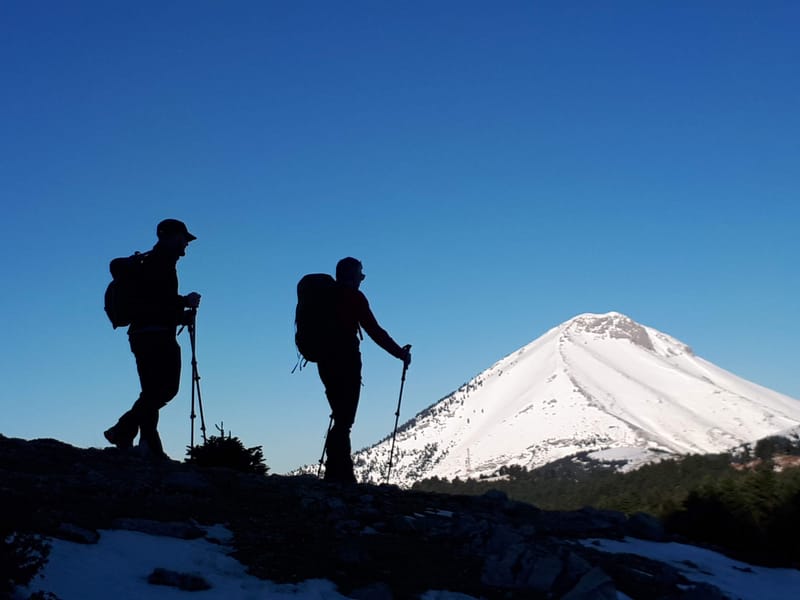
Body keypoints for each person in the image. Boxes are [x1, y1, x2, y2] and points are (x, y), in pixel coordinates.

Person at [104, 219, 201, 460]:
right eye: (183, 239)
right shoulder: (159, 263)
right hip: (155, 335)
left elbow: (153, 303)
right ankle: (125, 432)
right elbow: (158, 300)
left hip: (145, 334)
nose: (186, 244)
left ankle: (145, 443)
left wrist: (180, 315)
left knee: (153, 391)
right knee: (164, 389)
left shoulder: (153, 262)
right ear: (170, 237)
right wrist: (184, 302)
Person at [317, 257, 411, 483]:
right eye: (360, 274)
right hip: (347, 360)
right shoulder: (354, 298)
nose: (362, 278)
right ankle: (341, 474)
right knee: (345, 418)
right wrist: (400, 353)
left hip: (324, 360)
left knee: (339, 414)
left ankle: (336, 471)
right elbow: (374, 330)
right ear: (351, 275)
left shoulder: (323, 296)